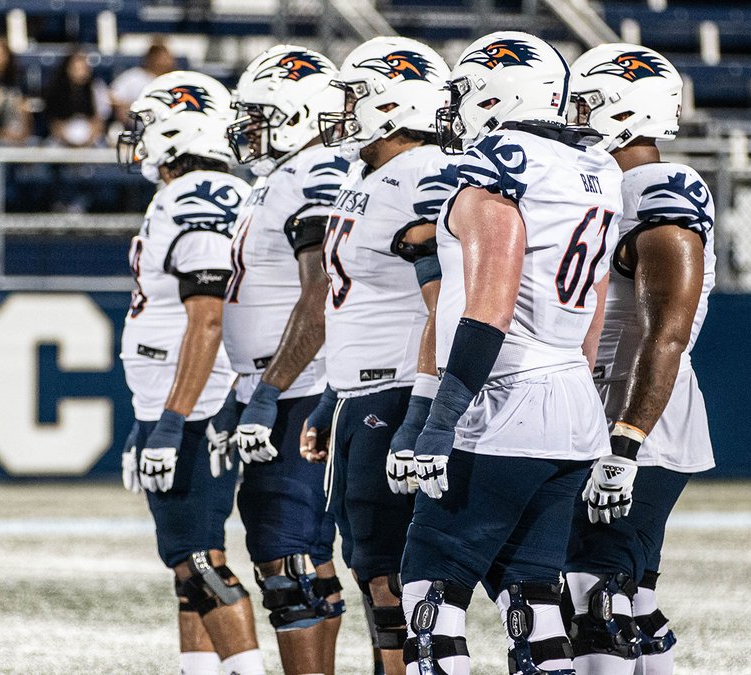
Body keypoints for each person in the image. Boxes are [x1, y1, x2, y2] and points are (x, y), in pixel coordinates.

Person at [399, 31, 623, 675]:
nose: (457, 107)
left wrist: (440, 420)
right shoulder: (594, 167)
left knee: (431, 588)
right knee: (533, 594)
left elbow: (488, 307)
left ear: (500, 94)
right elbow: (595, 304)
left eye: (468, 91)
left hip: (503, 400)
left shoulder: (503, 163)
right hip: (571, 400)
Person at [299, 36, 455, 675]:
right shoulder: (373, 174)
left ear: (395, 103)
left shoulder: (421, 172)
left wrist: (420, 408)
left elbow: (446, 300)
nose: (344, 108)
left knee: (392, 575)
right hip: (363, 391)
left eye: (355, 94)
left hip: (394, 392)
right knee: (375, 571)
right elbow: (358, 301)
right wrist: (333, 394)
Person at [563, 45, 717, 675]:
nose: (573, 114)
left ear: (626, 109)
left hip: (635, 420)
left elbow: (667, 334)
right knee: (633, 600)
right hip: (613, 409)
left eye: (586, 102)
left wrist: (624, 446)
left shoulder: (659, 186)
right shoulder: (603, 186)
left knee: (592, 596)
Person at [116, 77, 265, 675]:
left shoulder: (196, 196)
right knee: (189, 561)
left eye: (147, 123)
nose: (138, 138)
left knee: (199, 559)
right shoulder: (220, 191)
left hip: (199, 401)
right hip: (191, 397)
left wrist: (172, 422)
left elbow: (206, 321)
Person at [210, 44, 350, 675]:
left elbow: (321, 295)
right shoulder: (282, 176)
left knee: (287, 558)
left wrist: (268, 390)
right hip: (286, 384)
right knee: (305, 559)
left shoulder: (314, 173)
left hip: (300, 389)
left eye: (263, 112)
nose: (250, 126)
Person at [43, 48, 111, 147]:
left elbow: (100, 120)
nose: (81, 72)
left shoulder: (97, 88)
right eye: (77, 68)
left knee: (104, 148)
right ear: (68, 68)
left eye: (84, 68)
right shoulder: (56, 89)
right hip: (62, 139)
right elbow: (54, 123)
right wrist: (68, 141)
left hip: (91, 138)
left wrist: (88, 141)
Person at [111, 39, 178, 125]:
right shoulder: (134, 77)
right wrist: (132, 110)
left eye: (167, 57)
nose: (165, 61)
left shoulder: (175, 79)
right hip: (139, 126)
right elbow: (113, 96)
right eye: (159, 56)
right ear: (150, 58)